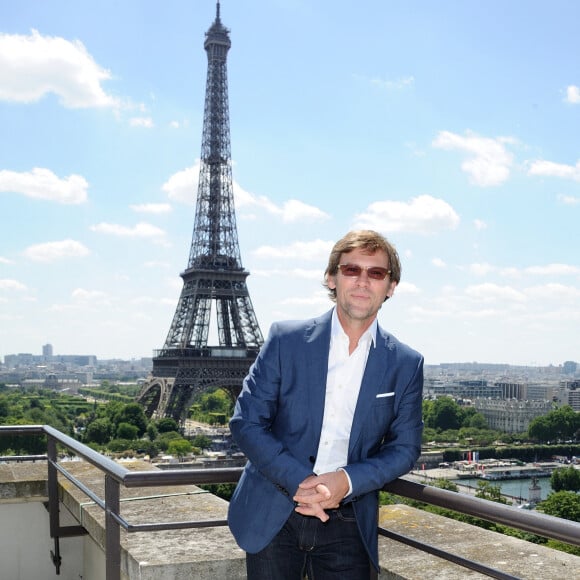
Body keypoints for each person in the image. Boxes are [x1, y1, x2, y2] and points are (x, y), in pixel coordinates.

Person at [228, 229, 424, 579]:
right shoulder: (285, 340)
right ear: (331, 278)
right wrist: (306, 483)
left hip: (348, 519)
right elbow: (246, 421)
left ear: (390, 287)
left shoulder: (406, 363)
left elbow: (405, 448)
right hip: (276, 509)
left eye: (376, 273)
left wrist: (345, 482)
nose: (363, 281)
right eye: (351, 270)